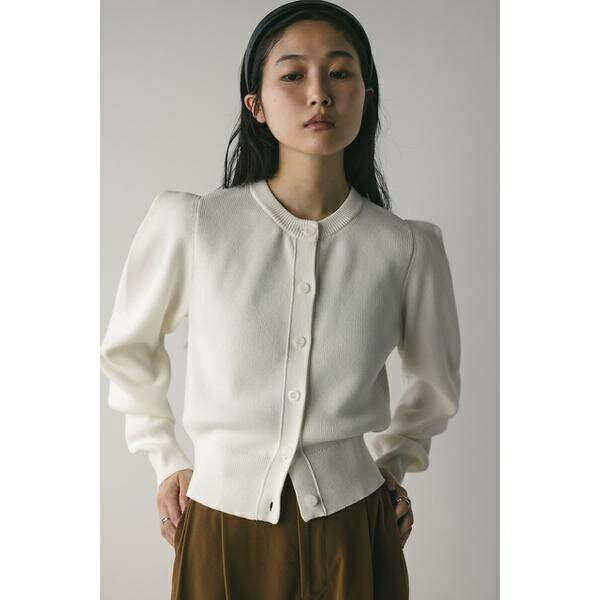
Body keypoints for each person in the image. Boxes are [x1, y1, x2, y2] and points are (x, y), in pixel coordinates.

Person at [99, 1, 461, 598]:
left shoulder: (406, 247)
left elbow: (435, 386)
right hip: (221, 524)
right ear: (257, 105)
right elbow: (127, 349)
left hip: (356, 525)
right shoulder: (196, 226)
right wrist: (166, 458)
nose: (319, 93)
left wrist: (394, 463)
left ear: (365, 95)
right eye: (293, 74)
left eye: (340, 73)